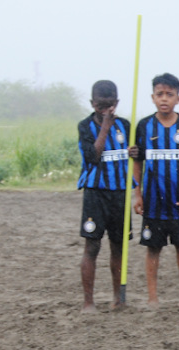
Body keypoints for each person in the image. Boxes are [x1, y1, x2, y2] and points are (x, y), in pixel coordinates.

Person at [132, 73, 179, 308]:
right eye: (160, 94)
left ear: (178, 98)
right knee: (153, 249)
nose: (164, 99)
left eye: (169, 94)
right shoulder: (144, 126)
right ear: (152, 97)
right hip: (153, 201)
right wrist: (137, 193)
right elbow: (138, 162)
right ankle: (153, 298)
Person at [76, 80, 131, 313]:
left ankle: (118, 298)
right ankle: (88, 302)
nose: (106, 110)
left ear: (116, 103)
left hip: (120, 194)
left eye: (110, 105)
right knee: (92, 247)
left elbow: (133, 157)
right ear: (92, 103)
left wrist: (135, 152)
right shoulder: (85, 126)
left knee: (118, 247)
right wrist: (105, 127)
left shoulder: (125, 126)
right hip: (95, 194)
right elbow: (93, 157)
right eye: (100, 106)